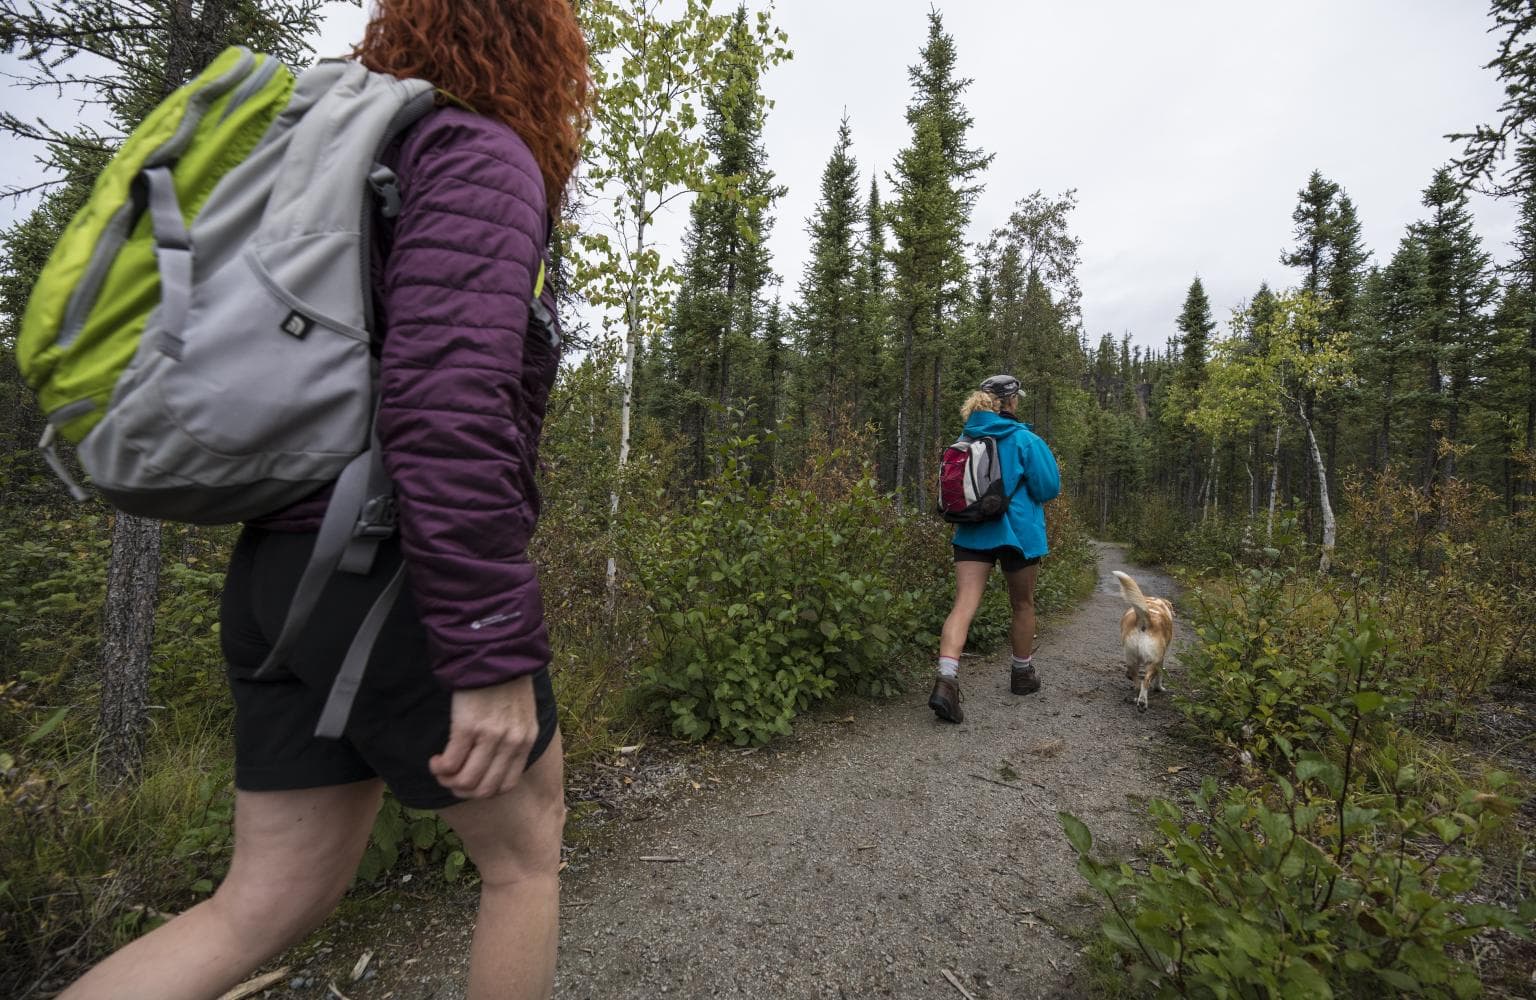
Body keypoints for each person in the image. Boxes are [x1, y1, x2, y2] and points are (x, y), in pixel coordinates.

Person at [62, 3, 590, 998]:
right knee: (525, 860)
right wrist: (488, 643)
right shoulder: (478, 157)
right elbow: (448, 406)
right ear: (539, 45)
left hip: (281, 567)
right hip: (391, 575)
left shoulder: (353, 167)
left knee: (265, 901)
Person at [929, 374, 1062, 723]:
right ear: (1011, 402)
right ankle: (1022, 674)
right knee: (1022, 604)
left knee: (963, 605)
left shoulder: (965, 438)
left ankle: (946, 682)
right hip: (1019, 533)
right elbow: (1048, 488)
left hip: (972, 532)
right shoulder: (1025, 439)